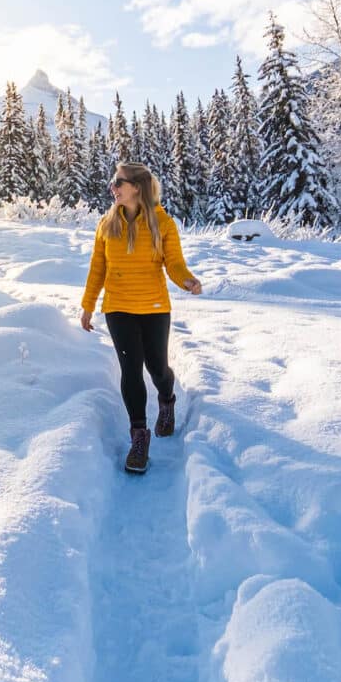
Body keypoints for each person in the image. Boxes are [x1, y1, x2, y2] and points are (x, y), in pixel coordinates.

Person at [80, 162, 203, 474]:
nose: (113, 187)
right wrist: (88, 305)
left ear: (137, 187)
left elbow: (174, 263)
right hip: (118, 307)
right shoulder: (107, 224)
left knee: (157, 367)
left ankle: (167, 399)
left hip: (154, 307)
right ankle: (139, 436)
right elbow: (98, 268)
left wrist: (187, 280)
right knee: (131, 369)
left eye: (118, 182)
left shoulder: (162, 223)